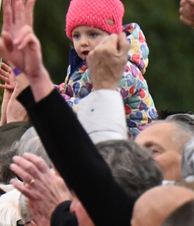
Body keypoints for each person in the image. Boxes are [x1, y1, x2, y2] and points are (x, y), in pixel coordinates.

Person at [56, 0, 156, 138]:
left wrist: (50, 99)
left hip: (133, 149)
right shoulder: (81, 65)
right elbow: (71, 92)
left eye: (92, 34)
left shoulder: (123, 70)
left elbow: (94, 110)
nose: (83, 42)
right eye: (76, 35)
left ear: (112, 37)